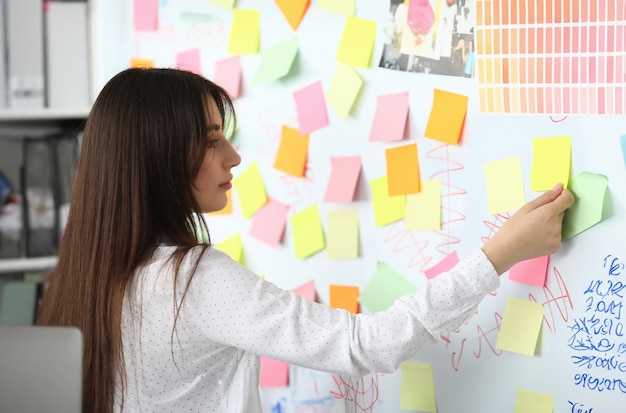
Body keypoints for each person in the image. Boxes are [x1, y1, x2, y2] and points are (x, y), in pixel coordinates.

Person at [35, 68, 575, 413]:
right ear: (156, 159)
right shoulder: (190, 279)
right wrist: (499, 254)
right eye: (210, 141)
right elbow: (367, 345)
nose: (234, 158)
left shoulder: (81, 277)